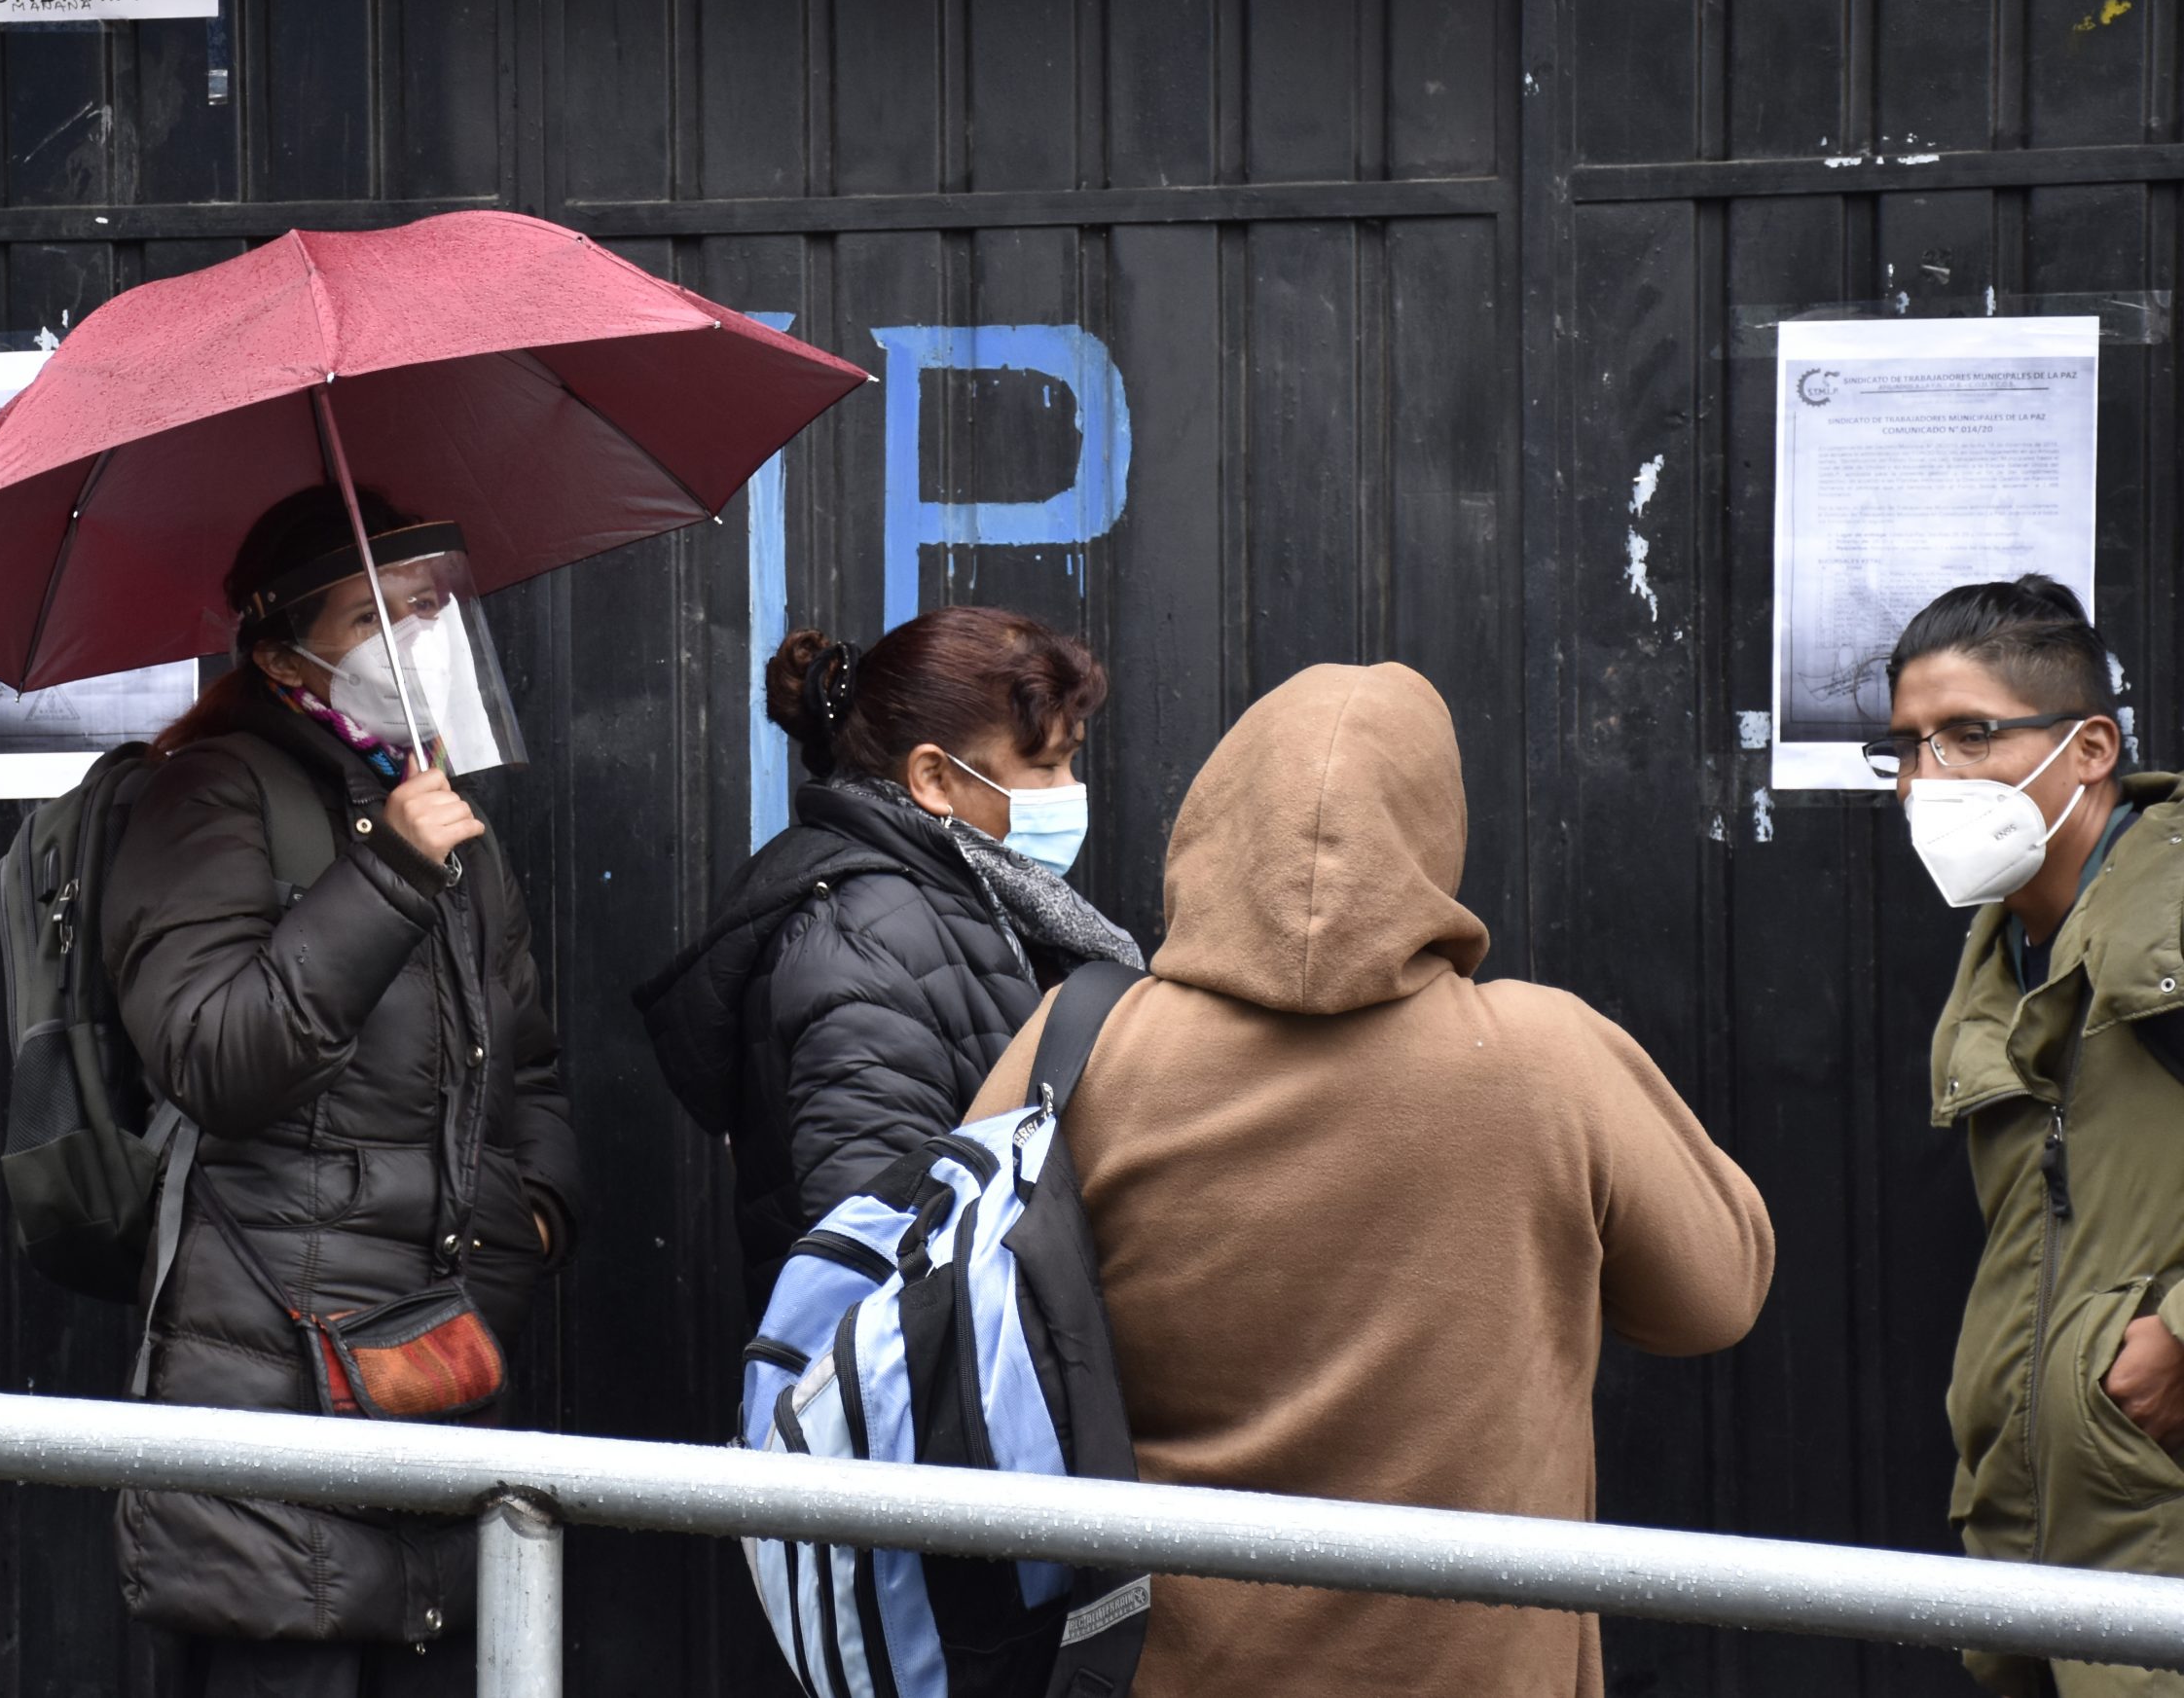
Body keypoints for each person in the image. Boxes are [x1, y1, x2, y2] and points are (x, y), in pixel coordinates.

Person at [965, 661, 1773, 1698]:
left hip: (1157, 1661)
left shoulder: (1083, 1042)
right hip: (1473, 1664)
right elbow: (1714, 1296)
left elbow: (959, 1292)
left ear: (1214, 821)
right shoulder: (1545, 1057)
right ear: (1432, 832)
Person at [102, 487, 580, 1697]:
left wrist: (530, 1224)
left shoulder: (438, 812)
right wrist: (390, 869)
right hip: (273, 1376)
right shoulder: (208, 792)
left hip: (434, 1370)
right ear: (278, 649)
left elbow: (525, 1064)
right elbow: (215, 1054)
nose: (420, 636)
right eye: (379, 613)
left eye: (431, 607)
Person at [637, 606, 1142, 1319]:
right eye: (1043, 766)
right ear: (933, 777)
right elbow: (883, 1266)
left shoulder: (982, 901)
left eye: (1071, 760)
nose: (1069, 792)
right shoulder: (860, 942)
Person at [1875, 576, 2184, 1698]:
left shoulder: (2171, 913)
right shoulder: (2006, 946)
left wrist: (2173, 1339)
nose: (1930, 778)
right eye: (1908, 747)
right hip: (2037, 1508)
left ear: (2090, 746)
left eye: (1969, 734)